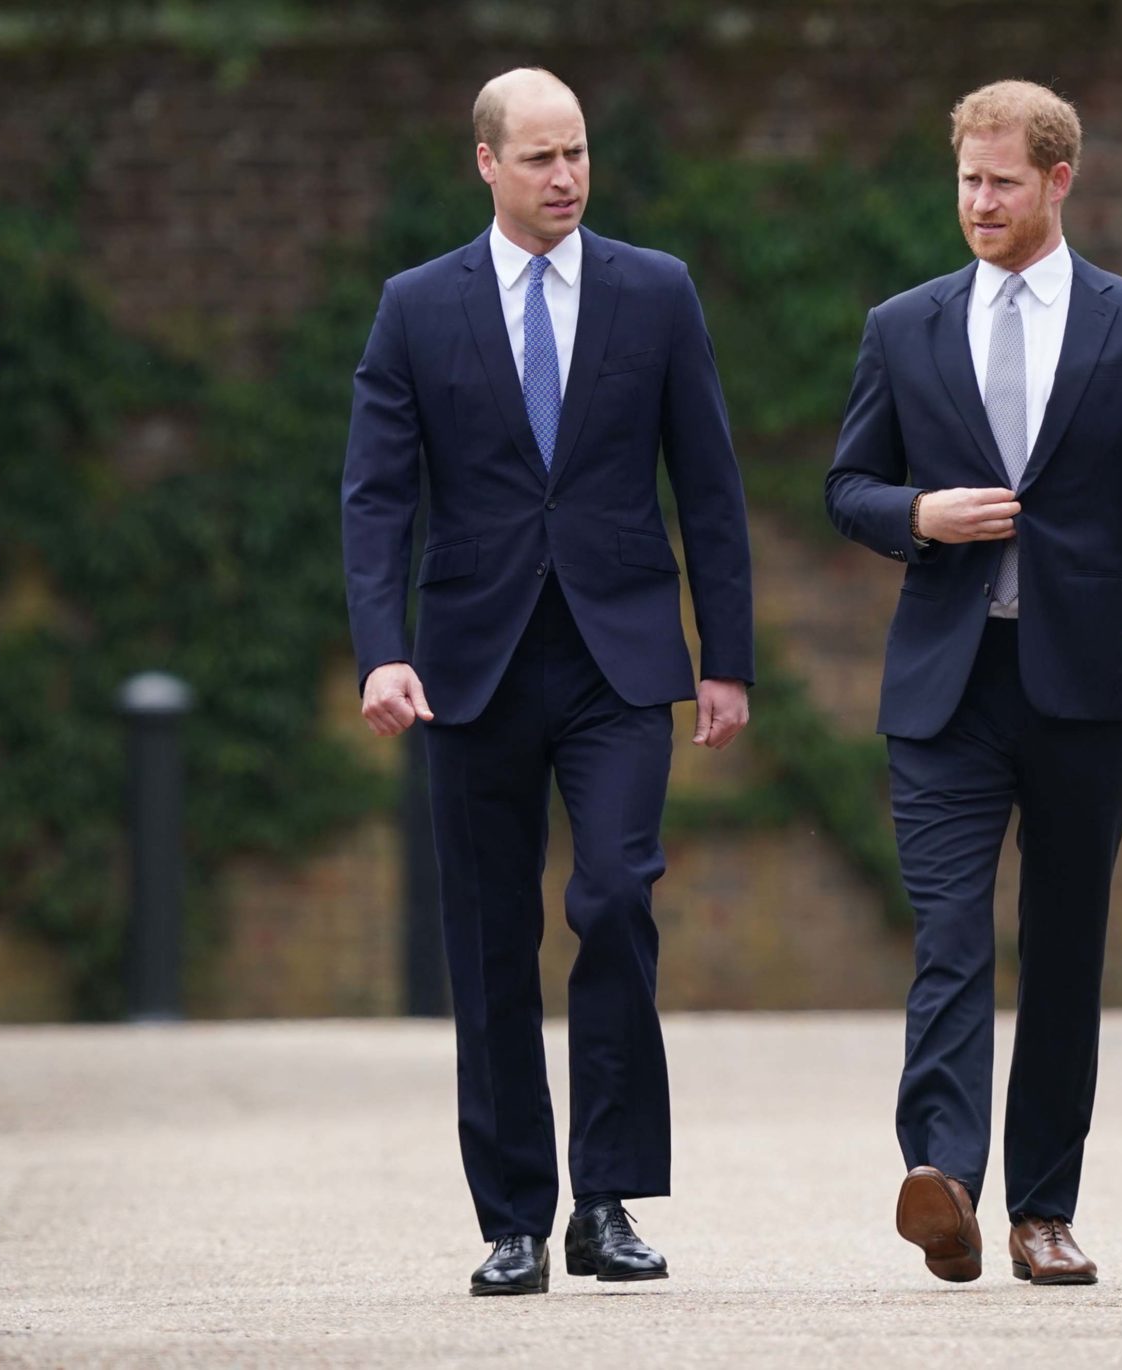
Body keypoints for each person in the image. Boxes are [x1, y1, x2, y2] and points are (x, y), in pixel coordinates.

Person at [341, 67, 754, 1297]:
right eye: (539, 158)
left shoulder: (654, 290)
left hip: (619, 654)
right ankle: (514, 1215)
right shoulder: (415, 307)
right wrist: (381, 647)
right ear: (485, 163)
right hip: (469, 659)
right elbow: (375, 495)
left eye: (577, 154)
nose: (566, 177)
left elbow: (711, 483)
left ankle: (608, 1199)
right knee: (487, 938)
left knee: (618, 896)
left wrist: (724, 656)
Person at [823, 78, 1122, 1287]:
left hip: (1087, 680)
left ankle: (1043, 1208)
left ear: (1058, 181)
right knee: (948, 935)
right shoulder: (903, 325)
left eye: (1001, 181)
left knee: (1062, 948)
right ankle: (942, 1179)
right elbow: (848, 486)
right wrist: (919, 514)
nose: (978, 202)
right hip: (945, 683)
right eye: (965, 180)